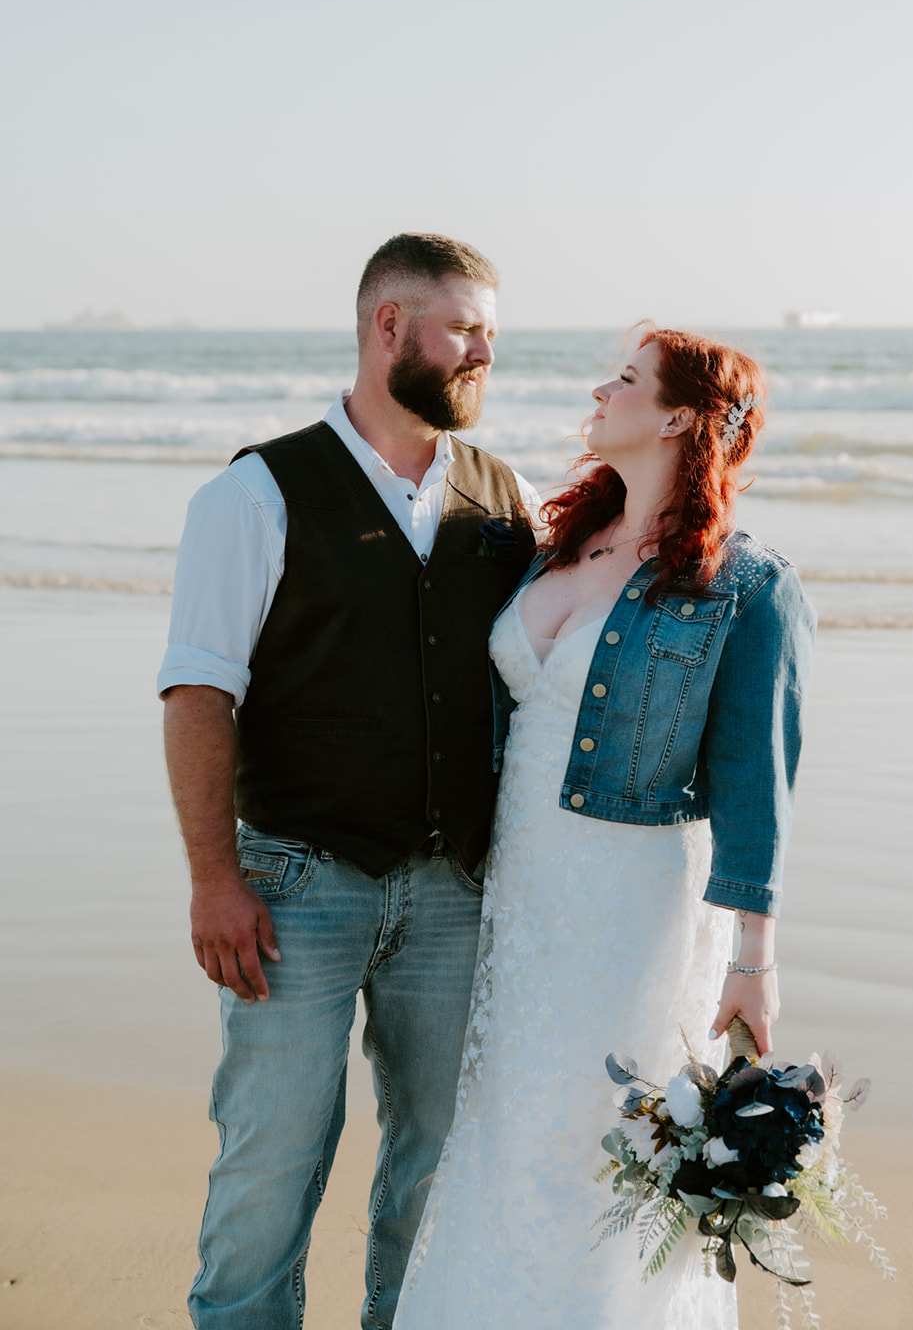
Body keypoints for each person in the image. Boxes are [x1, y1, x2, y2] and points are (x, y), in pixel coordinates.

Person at [393, 327, 816, 1330]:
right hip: (522, 892)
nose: (600, 388)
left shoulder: (747, 588)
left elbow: (760, 783)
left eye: (624, 378)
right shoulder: (555, 545)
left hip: (636, 903)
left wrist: (755, 958)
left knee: (608, 1146)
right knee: (507, 1134)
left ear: (677, 414)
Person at [158, 233, 539, 1330]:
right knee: (270, 1157)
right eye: (466, 330)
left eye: (491, 338)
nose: (482, 356)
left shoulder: (504, 495)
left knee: (436, 1162)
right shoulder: (257, 493)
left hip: (453, 891)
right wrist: (213, 878)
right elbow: (197, 696)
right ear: (390, 326)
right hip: (293, 885)